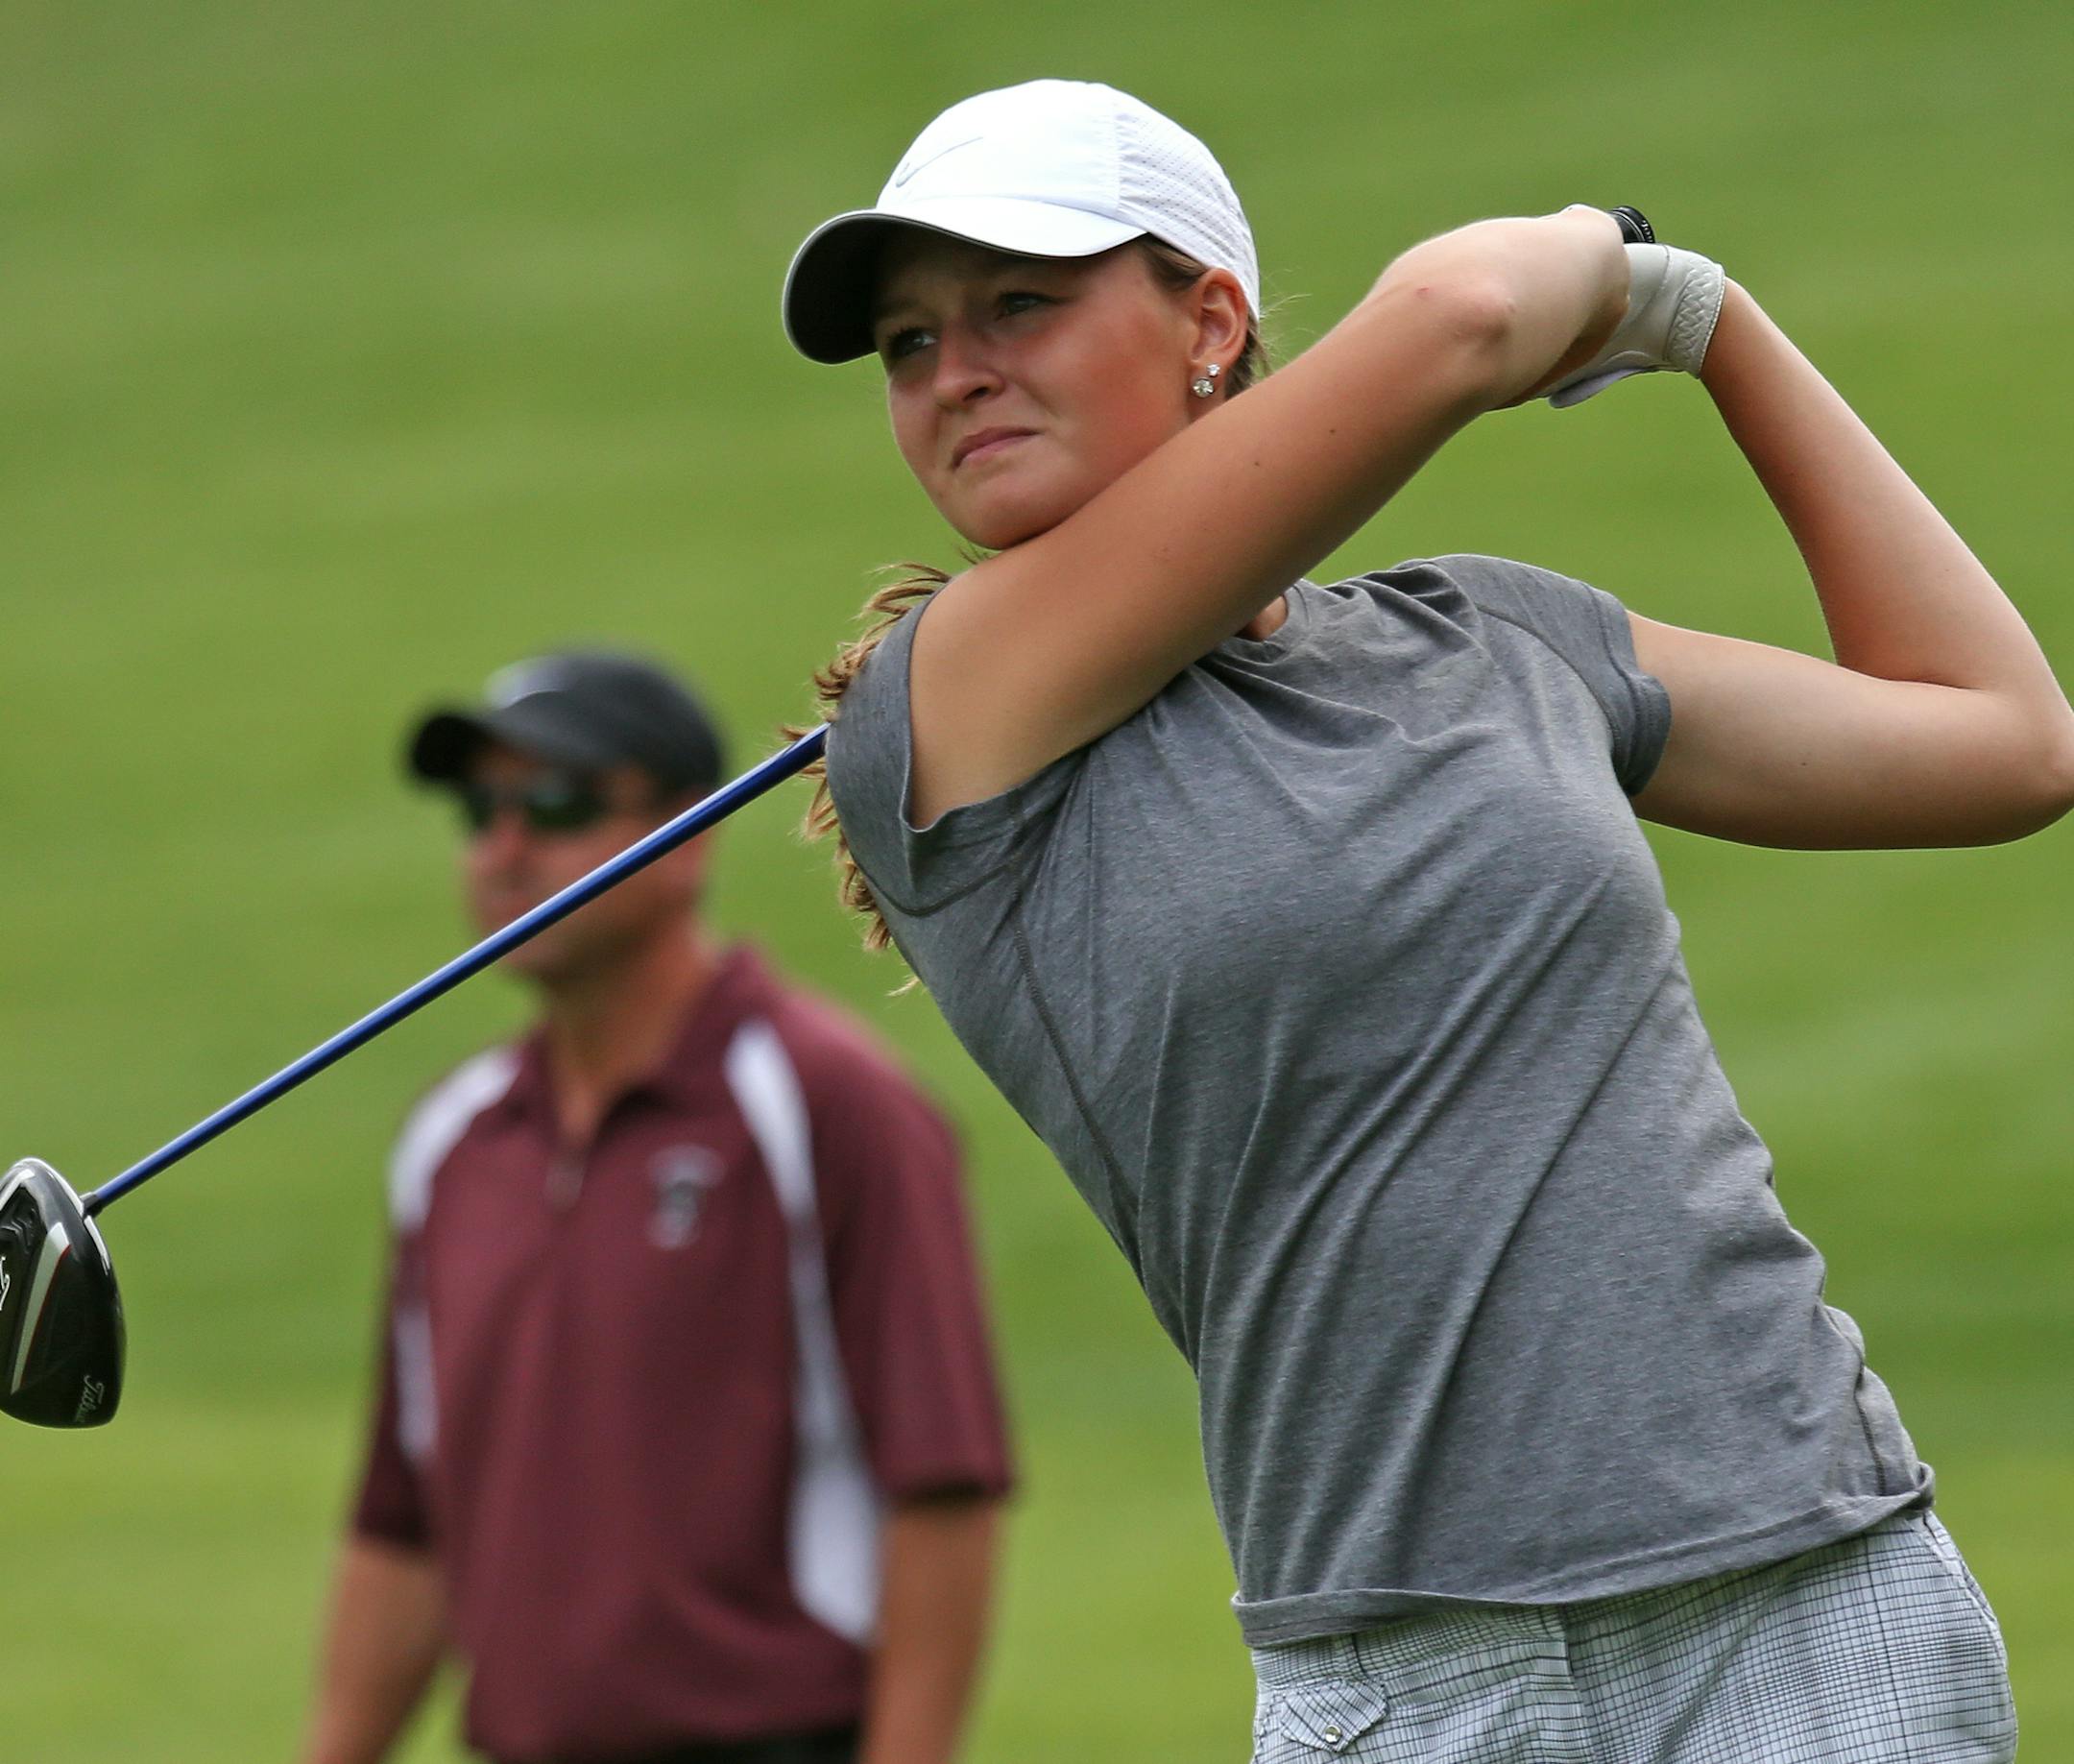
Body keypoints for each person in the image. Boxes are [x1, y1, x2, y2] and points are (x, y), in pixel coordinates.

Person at [779, 78, 2074, 1760]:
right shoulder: (948, 708)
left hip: (1808, 1596)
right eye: (905, 342)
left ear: (1212, 322)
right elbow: (1466, 312)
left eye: (1019, 303)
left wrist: (1714, 325)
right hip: (1412, 1682)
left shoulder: (1498, 640)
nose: (953, 373)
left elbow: (2006, 743)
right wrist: (1603, 253)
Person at [301, 651, 1014, 1764]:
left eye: (555, 804)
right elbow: (404, 1525)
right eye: (482, 809)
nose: (504, 849)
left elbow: (940, 1485)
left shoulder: (826, 1102)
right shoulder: (453, 1142)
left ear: (689, 833)